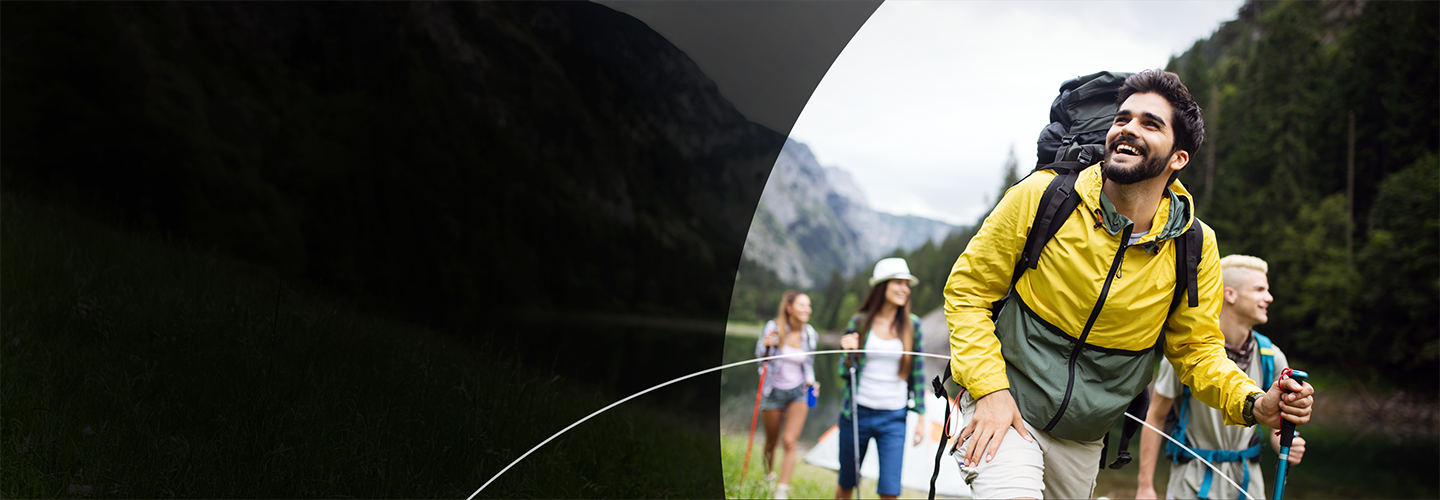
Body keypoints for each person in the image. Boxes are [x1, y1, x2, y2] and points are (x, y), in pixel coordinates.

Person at [942, 69, 1315, 499]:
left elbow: (1196, 351)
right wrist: (990, 391)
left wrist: (1254, 404)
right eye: (1122, 118)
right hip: (1004, 406)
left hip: (1083, 440)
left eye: (1150, 124)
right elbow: (968, 292)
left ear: (1178, 158)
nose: (1127, 129)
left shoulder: (1194, 244)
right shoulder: (1042, 196)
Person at [1136, 255, 1304, 499]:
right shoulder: (1188, 353)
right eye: (1259, 289)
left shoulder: (1272, 357)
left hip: (1249, 484)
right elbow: (1156, 417)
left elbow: (1276, 428)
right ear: (1230, 295)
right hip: (1192, 482)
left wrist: (1288, 446)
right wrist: (1145, 486)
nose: (1269, 297)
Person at [835, 257, 926, 500]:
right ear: (881, 286)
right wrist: (848, 354)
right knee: (847, 482)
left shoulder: (913, 325)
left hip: (894, 418)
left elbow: (918, 372)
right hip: (856, 414)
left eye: (907, 284)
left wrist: (921, 416)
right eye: (898, 282)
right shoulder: (859, 322)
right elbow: (844, 372)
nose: (904, 289)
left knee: (890, 489)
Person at [755, 290, 820, 500]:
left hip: (798, 393)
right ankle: (768, 476)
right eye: (802, 305)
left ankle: (782, 490)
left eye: (808, 306)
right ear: (789, 308)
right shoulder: (773, 328)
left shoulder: (810, 334)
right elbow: (760, 360)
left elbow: (809, 364)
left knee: (790, 441)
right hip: (772, 391)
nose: (807, 309)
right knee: (771, 441)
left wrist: (812, 381)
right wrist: (767, 347)